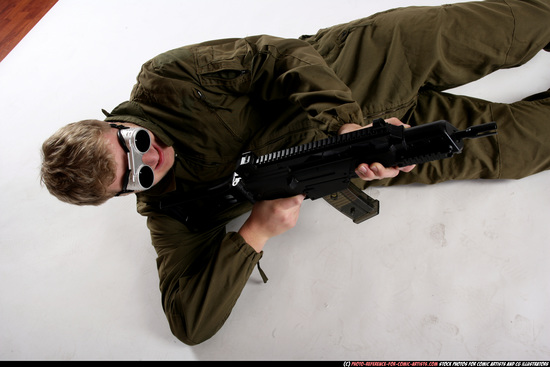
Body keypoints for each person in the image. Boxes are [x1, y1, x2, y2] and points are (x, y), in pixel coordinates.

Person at [40, 0, 550, 345]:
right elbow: (189, 322)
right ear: (123, 195)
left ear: (114, 121)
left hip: (364, 64)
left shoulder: (168, 78)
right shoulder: (170, 207)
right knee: (523, 150)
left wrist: (344, 123)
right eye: (136, 177)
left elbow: (275, 55)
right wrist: (255, 233)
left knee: (516, 28)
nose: (151, 161)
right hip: (370, 154)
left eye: (137, 145)